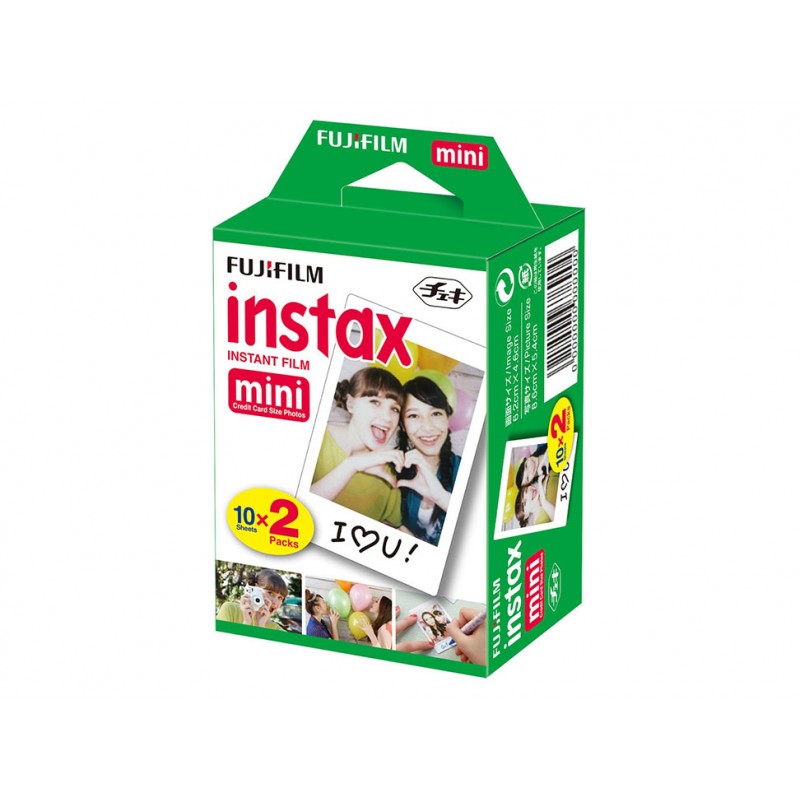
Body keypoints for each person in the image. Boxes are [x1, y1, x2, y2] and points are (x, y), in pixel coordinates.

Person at [312, 367, 405, 527]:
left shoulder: (387, 475)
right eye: (375, 402)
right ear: (351, 404)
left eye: (395, 409)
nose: (388, 417)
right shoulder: (315, 439)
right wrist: (351, 465)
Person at [396, 376, 461, 545]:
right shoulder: (393, 471)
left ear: (447, 418)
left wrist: (441, 497)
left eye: (436, 413)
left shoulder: (465, 470)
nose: (427, 427)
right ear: (402, 425)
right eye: (413, 416)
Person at [216, 568, 288, 630]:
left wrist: (261, 626)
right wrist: (246, 622)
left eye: (280, 597)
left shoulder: (279, 631)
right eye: (270, 593)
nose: (275, 602)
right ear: (254, 589)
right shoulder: (230, 610)